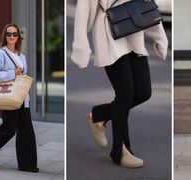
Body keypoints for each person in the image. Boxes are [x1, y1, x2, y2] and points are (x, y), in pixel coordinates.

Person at [71, 0, 168, 168]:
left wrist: (159, 35)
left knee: (143, 92)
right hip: (109, 35)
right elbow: (83, 9)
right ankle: (120, 151)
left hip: (134, 31)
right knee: (125, 93)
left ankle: (98, 115)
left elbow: (145, 3)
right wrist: (81, 47)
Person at [0, 23, 39, 173]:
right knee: (9, 129)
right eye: (9, 34)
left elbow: (21, 77)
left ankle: (27, 164)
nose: (12, 37)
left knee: (26, 130)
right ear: (5, 37)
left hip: (22, 97)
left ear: (19, 37)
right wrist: (13, 73)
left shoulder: (21, 55)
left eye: (15, 34)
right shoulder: (1, 54)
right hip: (8, 96)